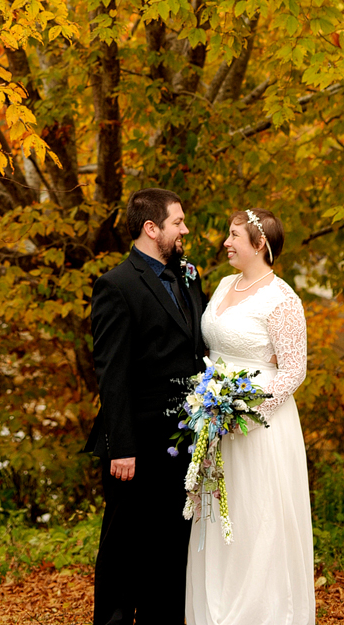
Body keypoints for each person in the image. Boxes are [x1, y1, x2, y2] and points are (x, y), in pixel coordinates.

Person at [186, 207, 315, 625]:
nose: (226, 242)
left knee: (258, 517)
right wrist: (210, 402)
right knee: (220, 517)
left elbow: (293, 370)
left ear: (260, 245)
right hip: (215, 419)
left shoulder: (282, 299)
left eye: (234, 235)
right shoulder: (224, 284)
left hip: (260, 428)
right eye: (228, 234)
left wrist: (245, 410)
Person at [87, 187, 207, 625]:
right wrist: (121, 446)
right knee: (124, 550)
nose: (185, 229)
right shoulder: (116, 286)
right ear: (151, 228)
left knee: (172, 549)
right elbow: (111, 372)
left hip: (185, 442)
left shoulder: (189, 277)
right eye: (178, 222)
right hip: (134, 446)